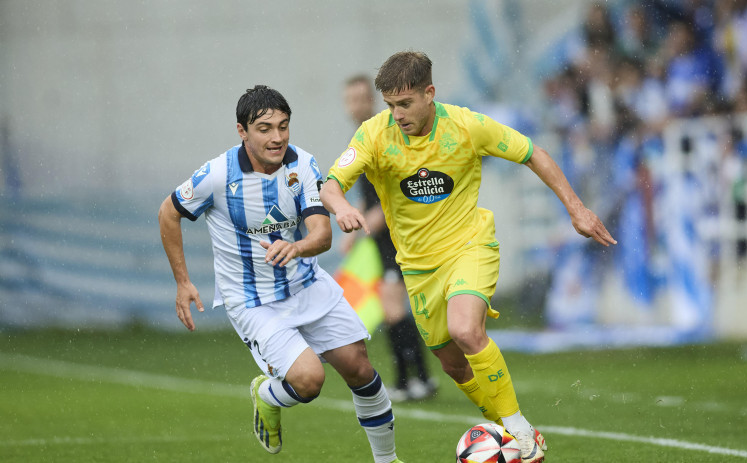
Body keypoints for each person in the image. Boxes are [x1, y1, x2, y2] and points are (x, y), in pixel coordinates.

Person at [320, 51, 617, 463]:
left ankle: (519, 431)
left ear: (430, 93)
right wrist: (342, 207)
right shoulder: (373, 133)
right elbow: (331, 183)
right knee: (454, 366)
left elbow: (532, 152)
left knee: (466, 329)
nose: (397, 114)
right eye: (390, 105)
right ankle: (514, 437)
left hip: (468, 247)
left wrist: (577, 209)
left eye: (405, 104)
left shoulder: (467, 125)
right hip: (418, 268)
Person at [158, 85, 403, 463]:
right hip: (252, 300)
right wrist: (183, 282)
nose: (277, 137)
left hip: (306, 284)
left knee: (361, 369)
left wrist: (297, 247)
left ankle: (388, 461)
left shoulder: (302, 165)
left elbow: (321, 234)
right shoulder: (217, 175)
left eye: (283, 126)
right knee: (309, 381)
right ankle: (266, 396)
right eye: (265, 128)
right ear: (242, 131)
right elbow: (168, 213)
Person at [342, 74, 437, 402]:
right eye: (350, 99)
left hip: (396, 237)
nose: (356, 105)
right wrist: (357, 219)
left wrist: (362, 225)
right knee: (396, 309)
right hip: (383, 239)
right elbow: (369, 194)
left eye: (360, 98)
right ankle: (421, 379)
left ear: (371, 99)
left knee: (394, 309)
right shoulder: (364, 136)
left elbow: (391, 196)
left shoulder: (385, 134)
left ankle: (408, 381)